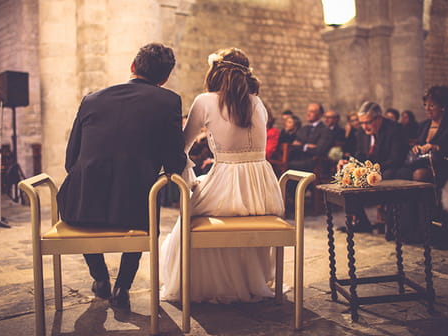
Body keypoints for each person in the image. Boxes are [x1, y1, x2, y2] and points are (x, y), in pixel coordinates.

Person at [56, 43, 186, 307]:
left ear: (133, 67)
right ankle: (123, 286)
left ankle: (100, 277)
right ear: (165, 78)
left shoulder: (92, 99)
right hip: (134, 205)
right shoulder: (169, 101)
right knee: (145, 204)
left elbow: (71, 159)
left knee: (84, 200)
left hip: (80, 206)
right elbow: (174, 162)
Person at [160, 47, 283, 303]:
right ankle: (247, 281)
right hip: (264, 187)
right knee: (210, 199)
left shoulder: (205, 101)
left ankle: (216, 284)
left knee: (188, 219)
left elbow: (183, 147)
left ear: (215, 70)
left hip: (229, 183)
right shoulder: (257, 102)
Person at [337, 101, 409, 232]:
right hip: (371, 170)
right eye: (362, 123)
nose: (364, 127)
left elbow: (396, 159)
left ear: (379, 118)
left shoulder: (395, 130)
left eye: (368, 122)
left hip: (390, 169)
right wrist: (349, 164)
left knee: (388, 176)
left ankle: (391, 224)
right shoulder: (361, 132)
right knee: (347, 177)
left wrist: (370, 171)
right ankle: (361, 222)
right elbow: (360, 154)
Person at [410, 86, 448, 190]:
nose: (427, 109)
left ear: (443, 107)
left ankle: (427, 206)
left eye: (432, 105)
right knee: (400, 172)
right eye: (425, 105)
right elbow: (419, 144)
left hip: (446, 165)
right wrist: (416, 148)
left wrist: (436, 147)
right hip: (423, 163)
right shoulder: (423, 125)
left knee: (419, 174)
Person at [287, 102, 332, 171]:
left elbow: (319, 150)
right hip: (299, 158)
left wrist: (302, 146)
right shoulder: (304, 129)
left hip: (314, 163)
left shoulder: (325, 130)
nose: (308, 114)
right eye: (308, 111)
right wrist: (307, 146)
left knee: (290, 165)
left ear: (320, 115)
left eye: (312, 112)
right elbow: (294, 145)